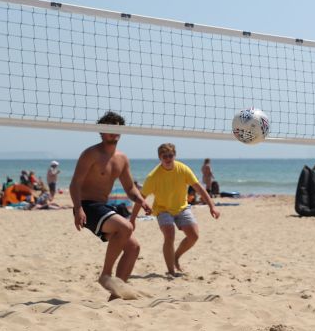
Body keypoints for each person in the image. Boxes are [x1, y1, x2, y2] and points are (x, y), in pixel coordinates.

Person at [70, 111, 151, 301]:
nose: (113, 133)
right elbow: (75, 183)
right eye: (108, 129)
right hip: (87, 206)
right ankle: (105, 274)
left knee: (134, 247)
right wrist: (78, 208)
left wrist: (141, 200)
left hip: (103, 208)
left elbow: (130, 188)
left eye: (116, 129)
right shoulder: (91, 154)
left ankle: (116, 296)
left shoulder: (122, 158)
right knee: (126, 227)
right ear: (101, 131)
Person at [131, 143, 220, 278]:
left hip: (182, 207)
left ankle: (176, 257)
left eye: (170, 156)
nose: (168, 158)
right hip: (162, 209)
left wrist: (212, 206)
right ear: (160, 158)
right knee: (169, 234)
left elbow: (199, 188)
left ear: (174, 156)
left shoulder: (183, 169)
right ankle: (171, 271)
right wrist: (132, 220)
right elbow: (140, 198)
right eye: (164, 156)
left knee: (194, 236)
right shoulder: (153, 176)